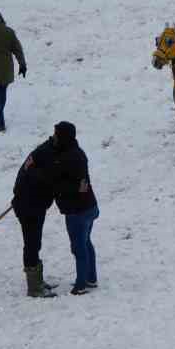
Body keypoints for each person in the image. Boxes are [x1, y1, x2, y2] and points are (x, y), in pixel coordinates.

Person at [13, 130, 64, 297]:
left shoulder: (43, 151)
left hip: (30, 204)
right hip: (29, 207)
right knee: (32, 244)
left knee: (35, 243)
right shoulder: (46, 156)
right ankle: (34, 287)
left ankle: (38, 281)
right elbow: (45, 181)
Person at [51, 121, 100, 295]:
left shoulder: (70, 157)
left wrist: (58, 189)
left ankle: (81, 284)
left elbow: (81, 185)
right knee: (85, 243)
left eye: (56, 134)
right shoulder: (76, 153)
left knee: (78, 247)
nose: (54, 137)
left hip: (78, 211)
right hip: (89, 207)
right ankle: (91, 278)